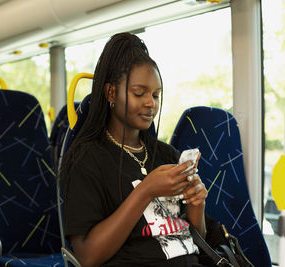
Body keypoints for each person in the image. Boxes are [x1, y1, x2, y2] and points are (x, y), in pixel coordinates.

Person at [61, 32, 208, 267]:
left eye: (156, 95)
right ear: (111, 93)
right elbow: (87, 256)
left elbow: (196, 239)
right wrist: (145, 191)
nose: (151, 103)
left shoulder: (166, 155)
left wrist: (196, 205)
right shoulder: (86, 159)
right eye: (139, 93)